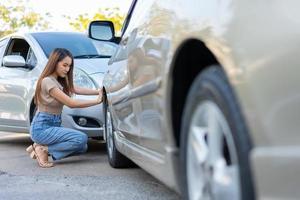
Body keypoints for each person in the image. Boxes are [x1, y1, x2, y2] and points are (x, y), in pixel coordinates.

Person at [26, 48, 103, 168]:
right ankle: (43, 150)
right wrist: (97, 101)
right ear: (55, 62)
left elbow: (74, 89)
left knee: (83, 146)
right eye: (64, 65)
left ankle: (41, 148)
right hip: (42, 127)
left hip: (53, 124)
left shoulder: (59, 80)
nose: (67, 69)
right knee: (81, 138)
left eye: (69, 66)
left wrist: (97, 92)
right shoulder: (47, 81)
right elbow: (71, 103)